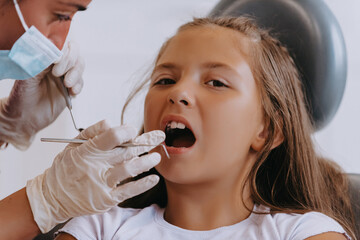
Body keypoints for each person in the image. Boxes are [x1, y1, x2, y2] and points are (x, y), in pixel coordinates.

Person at [55, 17, 356, 240]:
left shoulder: (305, 233)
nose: (178, 93)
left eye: (216, 83)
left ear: (267, 131)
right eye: (165, 80)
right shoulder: (98, 227)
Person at [0, 0, 165, 239]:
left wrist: (7, 126)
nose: (58, 44)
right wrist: (46, 201)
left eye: (216, 83)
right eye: (61, 14)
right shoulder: (99, 225)